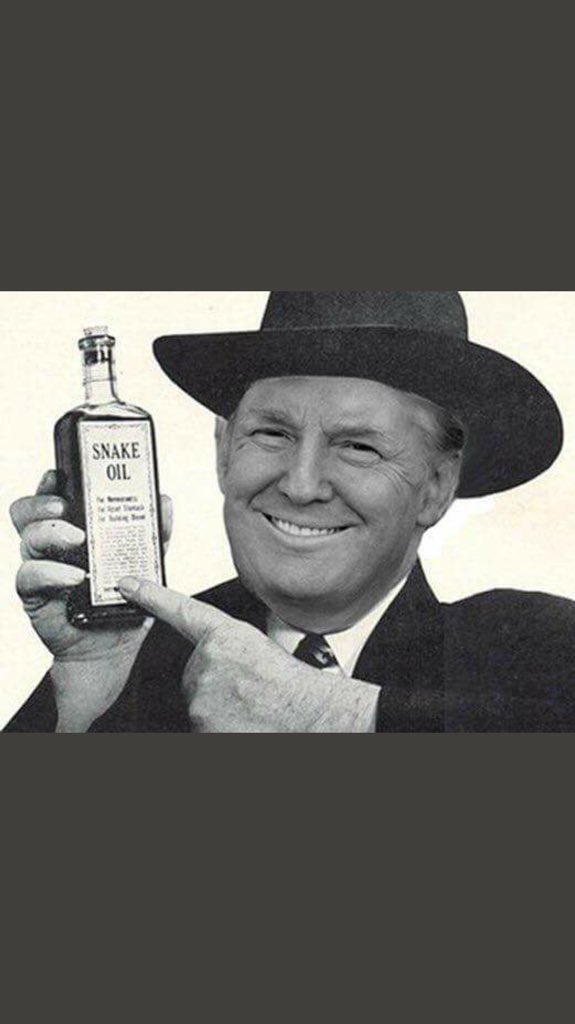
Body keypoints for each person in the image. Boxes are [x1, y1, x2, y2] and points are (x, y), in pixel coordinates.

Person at [7, 291, 575, 733]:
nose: (301, 486)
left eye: (359, 447)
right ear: (223, 450)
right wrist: (89, 683)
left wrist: (333, 716)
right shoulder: (138, 652)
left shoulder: (535, 651)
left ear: (436, 487)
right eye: (272, 434)